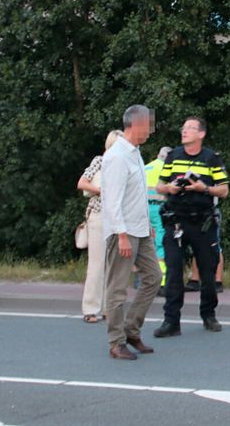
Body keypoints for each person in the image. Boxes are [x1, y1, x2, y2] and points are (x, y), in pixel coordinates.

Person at [154, 116, 229, 337]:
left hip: (202, 222)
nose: (184, 131)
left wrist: (203, 188)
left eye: (190, 128)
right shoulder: (173, 156)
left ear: (201, 134)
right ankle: (171, 322)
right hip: (176, 219)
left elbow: (224, 190)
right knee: (174, 270)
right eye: (183, 128)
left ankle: (208, 315)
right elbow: (159, 186)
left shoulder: (212, 159)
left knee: (207, 270)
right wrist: (170, 188)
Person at [101, 106, 162, 361]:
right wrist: (122, 234)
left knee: (154, 277)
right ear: (135, 124)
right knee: (117, 288)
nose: (150, 130)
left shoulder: (135, 153)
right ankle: (117, 342)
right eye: (148, 124)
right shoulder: (116, 156)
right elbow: (112, 199)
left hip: (140, 230)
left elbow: (137, 195)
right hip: (122, 232)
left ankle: (131, 329)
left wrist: (146, 224)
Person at [76, 130, 121, 323]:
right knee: (96, 264)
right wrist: (100, 190)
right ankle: (90, 308)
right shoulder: (99, 161)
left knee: (113, 266)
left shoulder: (125, 165)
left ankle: (107, 308)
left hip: (117, 218)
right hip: (99, 215)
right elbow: (82, 183)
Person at [145, 146, 173, 297]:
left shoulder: (146, 167)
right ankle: (161, 282)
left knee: (147, 244)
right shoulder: (166, 168)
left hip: (143, 210)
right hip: (159, 210)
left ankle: (145, 279)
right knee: (161, 244)